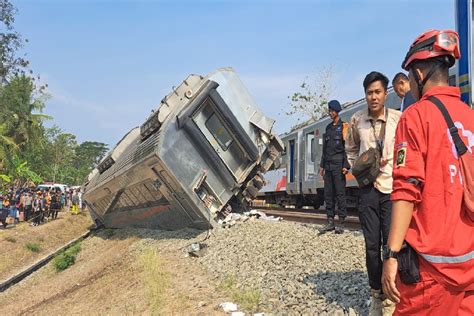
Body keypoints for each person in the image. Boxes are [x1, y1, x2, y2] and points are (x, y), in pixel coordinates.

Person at [382, 29, 474, 315]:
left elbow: (406, 188)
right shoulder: (469, 116)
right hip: (470, 265)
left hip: (430, 272)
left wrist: (392, 254)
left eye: (409, 78)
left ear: (419, 75)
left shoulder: (415, 116)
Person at [345, 71, 402, 315]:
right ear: (365, 95)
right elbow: (350, 148)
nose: (373, 97)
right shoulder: (357, 120)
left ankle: (391, 299)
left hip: (391, 189)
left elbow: (405, 148)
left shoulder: (397, 119)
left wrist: (396, 164)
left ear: (385, 93)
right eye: (369, 93)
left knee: (390, 246)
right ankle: (376, 294)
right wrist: (359, 169)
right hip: (368, 191)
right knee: (371, 245)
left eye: (378, 92)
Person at [318, 99, 350, 234]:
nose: (330, 113)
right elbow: (325, 150)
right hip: (328, 166)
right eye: (329, 111)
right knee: (328, 194)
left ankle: (341, 222)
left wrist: (346, 165)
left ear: (337, 111)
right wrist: (322, 166)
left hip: (338, 165)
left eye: (332, 111)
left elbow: (347, 148)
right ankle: (330, 221)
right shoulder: (328, 128)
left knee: (340, 194)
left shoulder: (344, 127)